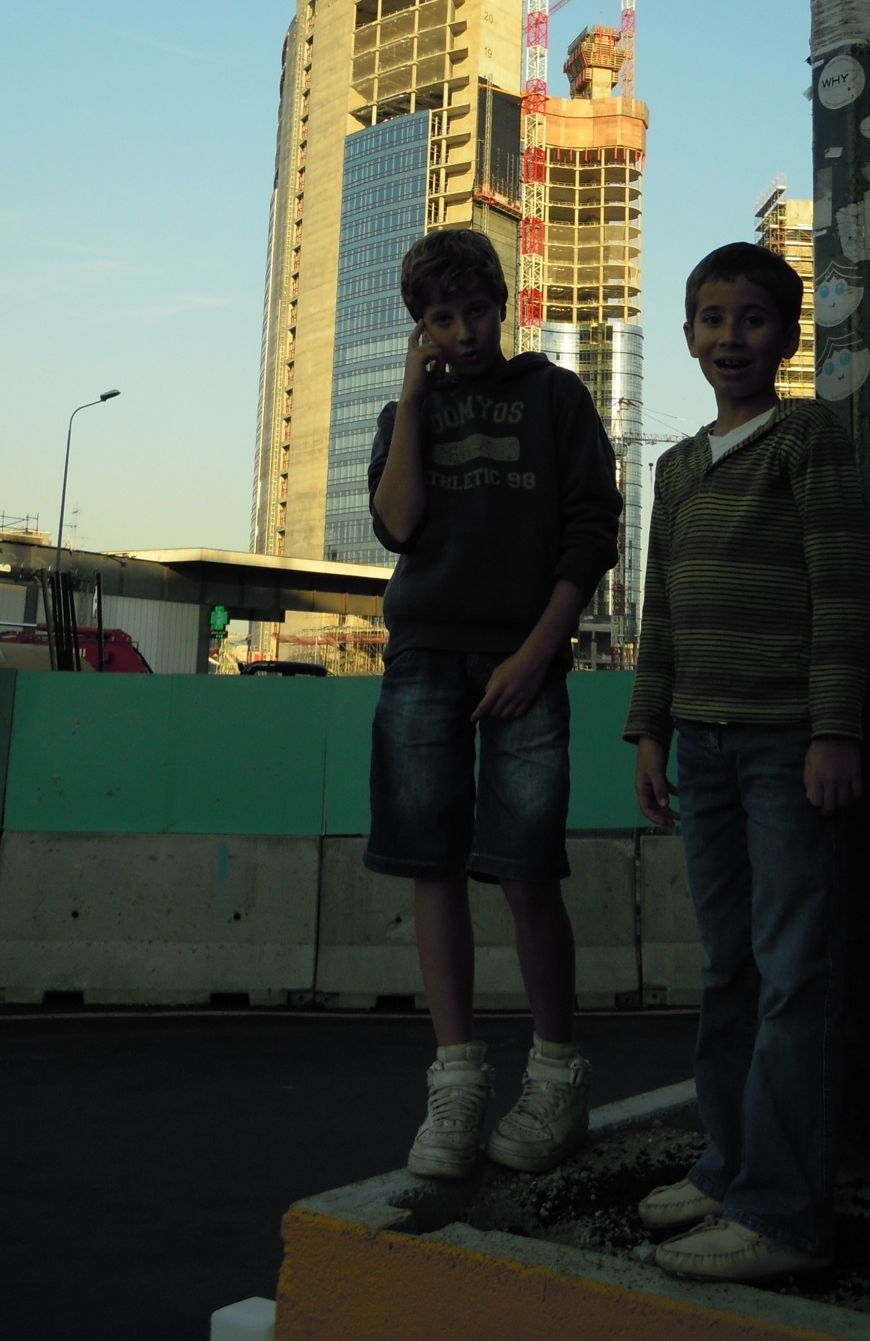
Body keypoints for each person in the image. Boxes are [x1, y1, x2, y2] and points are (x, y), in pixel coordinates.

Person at [624, 240, 870, 1282]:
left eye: (754, 319)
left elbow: (844, 589)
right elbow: (662, 613)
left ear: (786, 336)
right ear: (689, 335)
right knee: (727, 967)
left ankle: (783, 1214)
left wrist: (834, 731)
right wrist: (649, 730)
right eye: (713, 319)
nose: (732, 337)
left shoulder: (806, 437)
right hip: (705, 749)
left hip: (784, 748)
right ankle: (728, 1167)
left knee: (790, 974)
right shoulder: (677, 468)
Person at [366, 227, 622, 1180]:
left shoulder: (555, 396)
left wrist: (535, 654)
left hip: (526, 658)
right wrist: (411, 394)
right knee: (431, 867)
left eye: (476, 310)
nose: (464, 331)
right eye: (441, 318)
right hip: (422, 657)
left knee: (525, 871)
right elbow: (397, 524)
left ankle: (555, 1073)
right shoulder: (410, 410)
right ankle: (458, 1081)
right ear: (420, 328)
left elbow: (592, 531)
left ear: (503, 304)